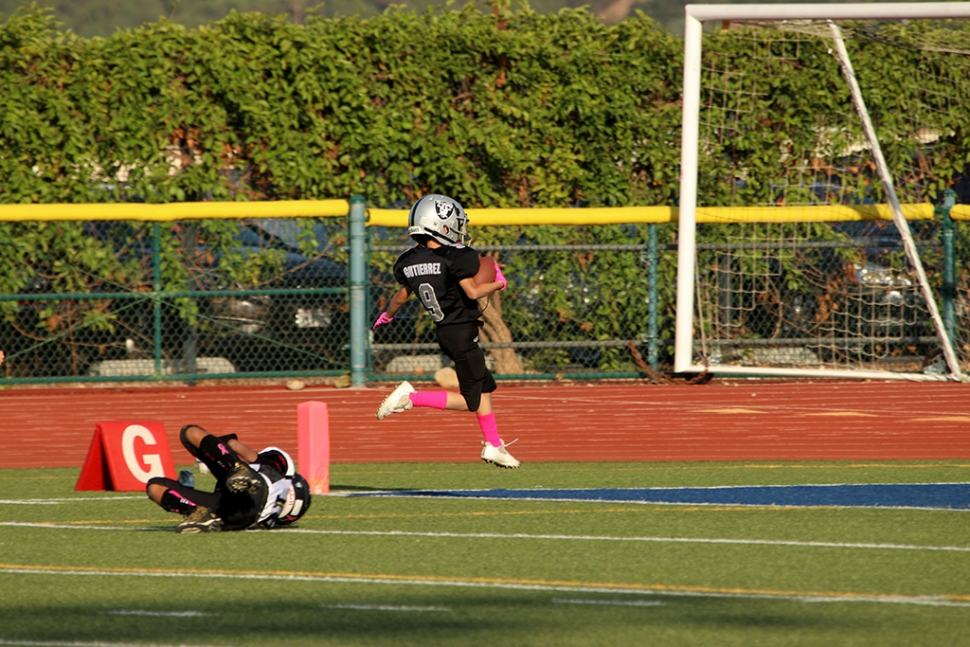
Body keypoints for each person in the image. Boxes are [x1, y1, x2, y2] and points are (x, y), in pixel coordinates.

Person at [372, 194, 520, 469]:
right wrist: (499, 283)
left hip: (446, 333)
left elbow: (401, 297)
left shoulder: (408, 260)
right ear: (441, 225)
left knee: (484, 386)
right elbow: (474, 291)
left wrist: (387, 316)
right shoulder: (456, 257)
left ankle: (494, 444)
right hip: (462, 333)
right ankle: (409, 398)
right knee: (470, 401)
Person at [146, 424, 311, 533]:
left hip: (256, 491)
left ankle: (235, 468)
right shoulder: (270, 519)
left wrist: (219, 451)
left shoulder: (278, 472)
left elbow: (233, 445)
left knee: (189, 432)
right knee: (155, 487)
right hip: (237, 519)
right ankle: (200, 513)